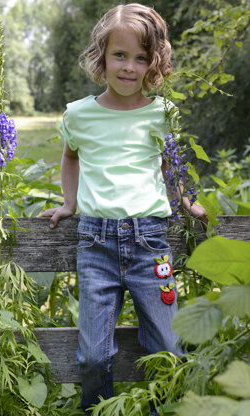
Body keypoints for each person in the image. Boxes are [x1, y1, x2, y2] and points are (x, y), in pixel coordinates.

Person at [39, 3, 207, 415]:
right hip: (95, 244)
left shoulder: (162, 113)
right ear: (102, 56)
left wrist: (183, 200)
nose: (129, 67)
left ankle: (160, 410)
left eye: (141, 58)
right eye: (120, 55)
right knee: (93, 357)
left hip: (151, 244)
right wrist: (69, 203)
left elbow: (170, 164)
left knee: (168, 348)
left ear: (154, 62)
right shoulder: (79, 115)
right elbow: (71, 158)